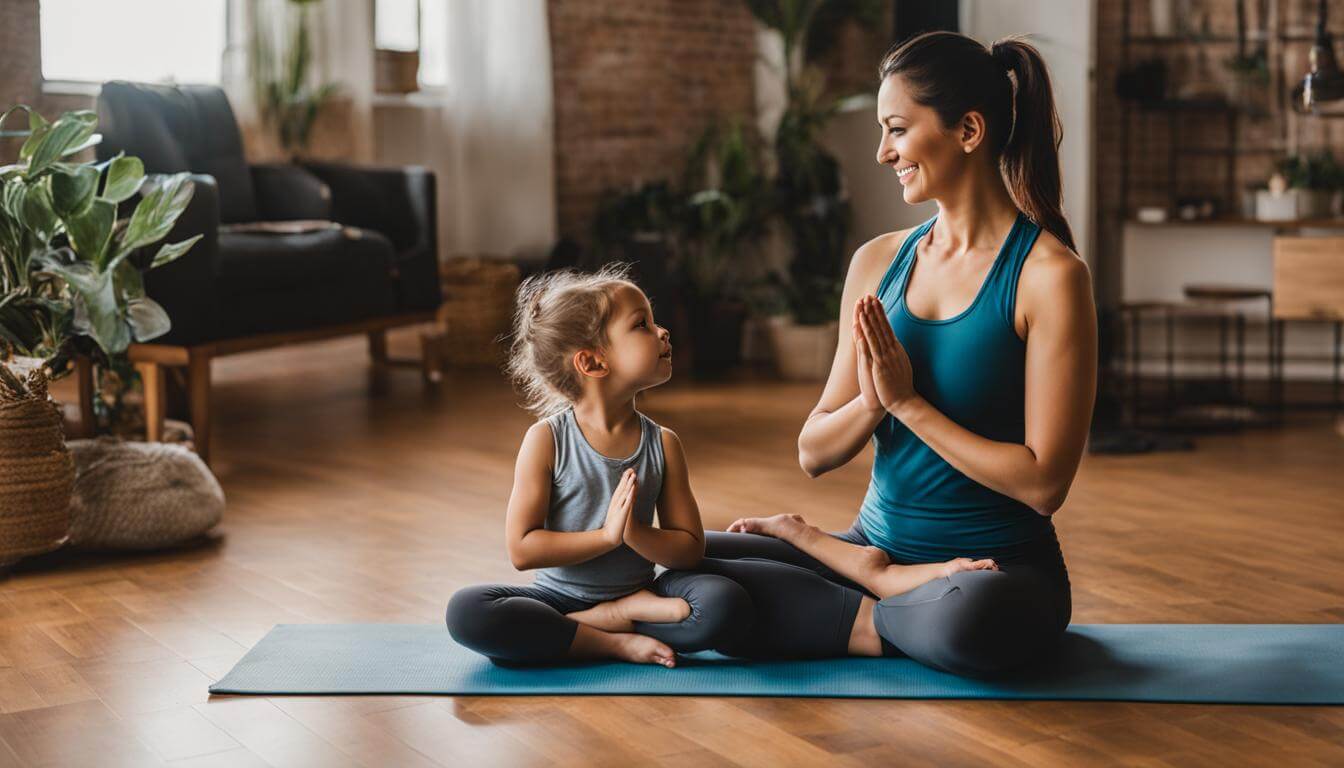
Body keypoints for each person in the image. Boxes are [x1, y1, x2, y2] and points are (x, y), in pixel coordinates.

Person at [697, 30, 1098, 678]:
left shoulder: (1049, 276)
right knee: (682, 560)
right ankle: (873, 587)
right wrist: (873, 401)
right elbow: (815, 451)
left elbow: (1044, 485)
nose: (884, 153)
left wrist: (908, 404)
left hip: (992, 576)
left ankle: (853, 603)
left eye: (897, 130)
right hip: (871, 548)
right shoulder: (877, 262)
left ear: (968, 130)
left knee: (975, 618)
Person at [446, 263, 752, 667]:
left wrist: (634, 534)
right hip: (557, 600)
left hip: (642, 593)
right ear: (592, 364)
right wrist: (606, 537)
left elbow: (689, 549)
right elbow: (522, 549)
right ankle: (611, 636)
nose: (663, 332)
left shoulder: (663, 444)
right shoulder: (547, 441)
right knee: (467, 611)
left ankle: (587, 629)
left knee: (724, 604)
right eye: (642, 324)